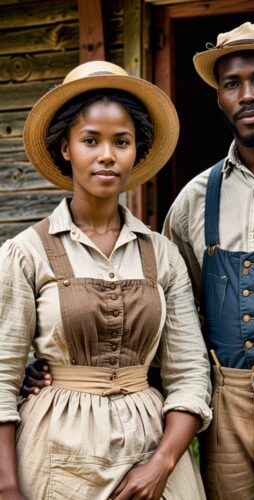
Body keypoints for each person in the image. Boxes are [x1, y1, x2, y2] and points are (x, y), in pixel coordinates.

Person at [22, 22, 254, 499]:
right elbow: (166, 327)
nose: (247, 94)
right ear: (219, 97)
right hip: (223, 409)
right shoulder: (192, 202)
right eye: (231, 84)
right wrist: (50, 365)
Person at [0, 60, 211, 500]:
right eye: (90, 140)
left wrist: (162, 463)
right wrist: (6, 487)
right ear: (65, 149)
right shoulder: (26, 252)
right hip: (57, 455)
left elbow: (190, 373)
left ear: (137, 152)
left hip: (151, 448)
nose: (107, 155)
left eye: (122, 141)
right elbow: (1, 376)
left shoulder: (162, 254)